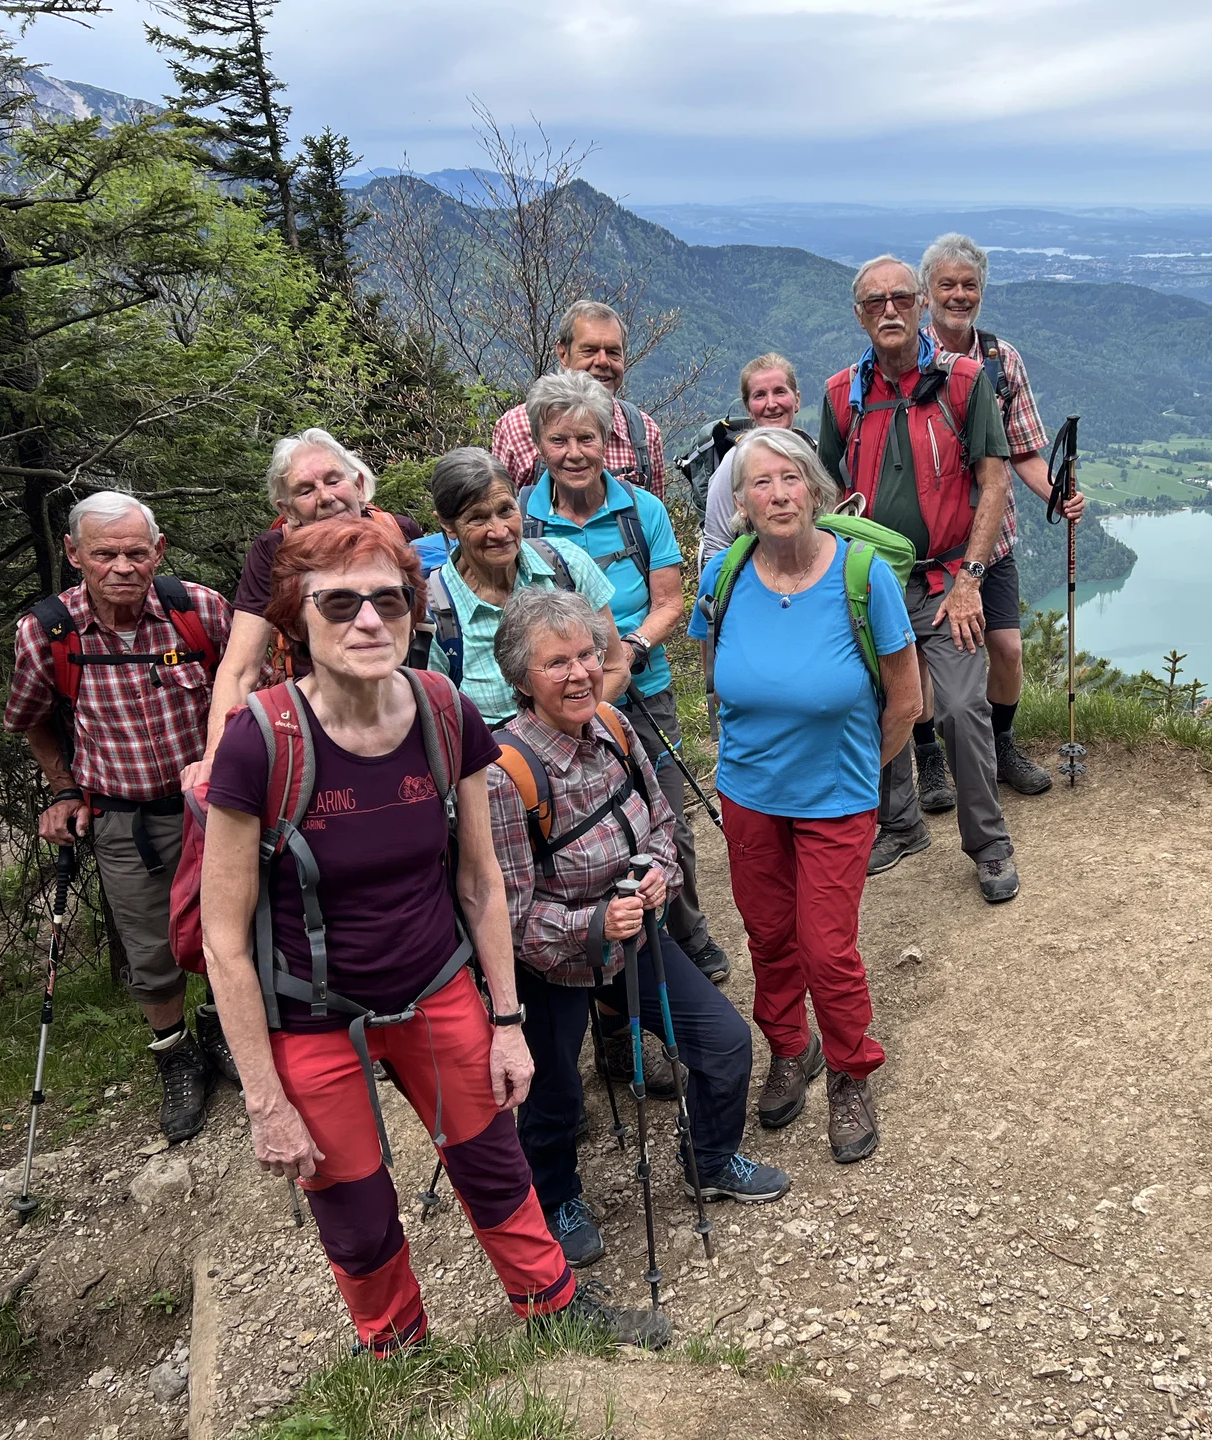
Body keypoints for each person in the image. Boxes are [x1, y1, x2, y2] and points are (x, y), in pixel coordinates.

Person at [197, 515, 666, 1353]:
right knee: (354, 1200)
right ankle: (396, 1348)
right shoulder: (260, 741)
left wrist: (509, 1021)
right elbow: (222, 940)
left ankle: (551, 1308)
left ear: (414, 611)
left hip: (436, 984)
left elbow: (482, 883)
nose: (369, 620)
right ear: (297, 619)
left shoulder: (441, 709)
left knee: (492, 1162)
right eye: (340, 603)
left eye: (389, 599)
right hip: (311, 1013)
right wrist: (265, 1099)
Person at [488, 589, 788, 1266]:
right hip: (549, 966)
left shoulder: (615, 729)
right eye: (555, 662)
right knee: (554, 1090)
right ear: (520, 679)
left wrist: (656, 875)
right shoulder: (504, 776)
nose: (578, 673)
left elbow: (660, 821)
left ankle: (709, 1158)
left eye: (588, 655)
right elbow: (504, 916)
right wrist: (592, 922)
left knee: (725, 1042)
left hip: (636, 937)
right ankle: (557, 1196)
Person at [690, 429, 919, 1162]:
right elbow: (713, 679)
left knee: (827, 947)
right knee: (767, 936)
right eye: (760, 483)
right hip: (749, 796)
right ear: (742, 503)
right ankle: (792, 1048)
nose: (778, 494)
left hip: (836, 799)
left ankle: (851, 1068)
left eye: (790, 478)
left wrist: (853, 773)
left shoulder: (862, 574)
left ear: (815, 489)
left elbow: (907, 701)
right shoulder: (725, 575)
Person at [4, 491, 233, 1143]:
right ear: (75, 555)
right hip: (121, 818)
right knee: (150, 949)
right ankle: (176, 1056)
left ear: (158, 551)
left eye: (137, 552)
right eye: (105, 554)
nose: (123, 566)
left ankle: (221, 1029)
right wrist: (64, 791)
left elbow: (242, 684)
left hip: (211, 810)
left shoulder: (197, 610)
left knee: (229, 925)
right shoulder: (48, 633)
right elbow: (29, 721)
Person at [817, 255, 1020, 903]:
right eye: (874, 303)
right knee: (869, 704)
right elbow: (825, 495)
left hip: (945, 583)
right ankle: (898, 824)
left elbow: (994, 480)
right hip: (869, 583)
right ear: (859, 315)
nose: (889, 311)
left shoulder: (965, 382)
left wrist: (971, 579)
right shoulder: (840, 396)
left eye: (900, 298)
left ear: (919, 305)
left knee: (962, 708)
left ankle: (988, 843)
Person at [516, 369, 731, 982]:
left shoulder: (643, 511)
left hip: (642, 691)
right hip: (555, 704)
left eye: (586, 438)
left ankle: (686, 934)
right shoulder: (523, 522)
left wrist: (628, 650)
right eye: (559, 440)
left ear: (606, 440)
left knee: (665, 814)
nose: (574, 453)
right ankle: (597, 951)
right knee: (575, 831)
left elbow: (670, 601)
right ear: (539, 444)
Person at [921, 233, 1086, 798]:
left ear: (982, 293)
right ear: (926, 293)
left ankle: (1000, 745)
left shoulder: (1000, 359)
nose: (959, 295)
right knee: (920, 655)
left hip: (994, 537)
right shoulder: (906, 357)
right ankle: (928, 758)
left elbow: (1024, 452)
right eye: (947, 285)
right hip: (924, 540)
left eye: (969, 286)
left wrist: (1055, 495)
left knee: (1008, 649)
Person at [195, 429, 423, 780]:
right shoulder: (272, 553)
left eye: (334, 481)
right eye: (305, 490)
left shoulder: (398, 534)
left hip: (397, 706)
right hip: (309, 717)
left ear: (358, 486)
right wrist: (217, 759)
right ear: (286, 510)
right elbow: (240, 668)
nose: (325, 497)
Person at [422, 447, 627, 727]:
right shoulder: (434, 613)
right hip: (495, 765)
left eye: (506, 510)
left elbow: (615, 668)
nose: (499, 531)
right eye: (478, 518)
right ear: (447, 525)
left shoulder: (566, 565)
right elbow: (436, 725)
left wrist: (574, 729)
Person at [492, 301, 667, 496]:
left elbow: (653, 515)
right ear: (563, 354)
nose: (602, 361)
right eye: (589, 350)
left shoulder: (644, 432)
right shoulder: (516, 427)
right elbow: (501, 514)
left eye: (613, 352)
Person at [699, 353, 809, 570]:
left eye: (780, 392)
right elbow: (716, 545)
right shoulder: (735, 462)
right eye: (759, 395)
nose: (771, 404)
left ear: (796, 400)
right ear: (749, 408)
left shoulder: (811, 453)